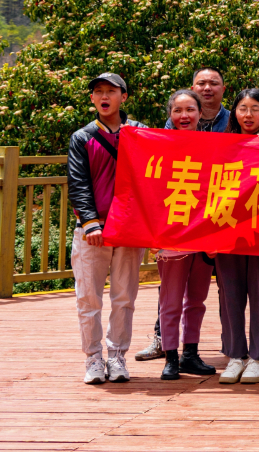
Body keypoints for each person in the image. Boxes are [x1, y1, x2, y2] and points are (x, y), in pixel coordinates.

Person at [68, 73, 147, 384]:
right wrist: (89, 223)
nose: (104, 96)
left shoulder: (140, 133)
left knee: (124, 296)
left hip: (128, 228)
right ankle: (93, 359)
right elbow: (78, 184)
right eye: (98, 92)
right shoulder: (82, 137)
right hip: (92, 230)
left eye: (111, 91)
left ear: (123, 97)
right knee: (89, 297)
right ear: (92, 99)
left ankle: (117, 357)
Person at [215, 88, 259, 385]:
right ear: (234, 113)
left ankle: (257, 357)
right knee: (229, 297)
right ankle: (234, 356)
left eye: (255, 108)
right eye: (242, 108)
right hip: (227, 230)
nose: (248, 115)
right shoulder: (222, 145)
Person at [155, 89, 216, 380]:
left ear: (200, 113)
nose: (184, 116)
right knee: (170, 300)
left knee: (197, 300)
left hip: (204, 234)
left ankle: (190, 353)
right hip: (172, 234)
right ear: (170, 114)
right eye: (178, 111)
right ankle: (170, 356)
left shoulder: (215, 145)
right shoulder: (158, 145)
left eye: (190, 110)